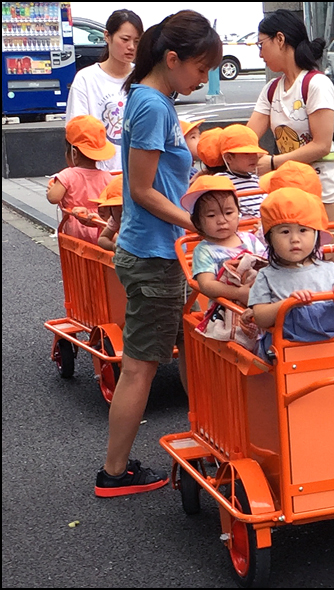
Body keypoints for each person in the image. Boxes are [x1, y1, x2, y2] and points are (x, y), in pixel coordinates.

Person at [94, 10, 221, 498]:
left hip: (158, 252)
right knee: (142, 366)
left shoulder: (155, 100)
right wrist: (198, 225)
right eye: (201, 68)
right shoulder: (152, 105)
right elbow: (142, 190)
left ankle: (207, 440)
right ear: (172, 59)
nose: (205, 79)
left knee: (189, 347)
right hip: (154, 255)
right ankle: (114, 471)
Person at [247, 8, 334, 259]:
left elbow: (321, 146)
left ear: (280, 39)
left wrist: (272, 163)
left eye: (261, 44)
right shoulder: (272, 89)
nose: (260, 54)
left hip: (329, 193)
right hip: (293, 196)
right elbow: (246, 137)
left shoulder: (316, 84)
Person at [248, 187, 334, 332]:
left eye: (303, 230)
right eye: (285, 232)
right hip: (289, 348)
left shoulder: (330, 269)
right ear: (270, 238)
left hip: (333, 346)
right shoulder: (266, 275)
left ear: (316, 235)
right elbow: (261, 318)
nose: (295, 239)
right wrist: (288, 304)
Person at [65, 9, 143, 172]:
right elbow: (76, 129)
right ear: (107, 36)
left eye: (136, 41)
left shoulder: (142, 76)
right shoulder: (86, 78)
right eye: (125, 39)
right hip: (99, 173)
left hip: (136, 174)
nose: (131, 47)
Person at [182, 175, 266, 309]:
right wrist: (238, 293)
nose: (221, 220)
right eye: (211, 215)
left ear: (239, 213)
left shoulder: (250, 239)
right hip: (226, 308)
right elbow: (207, 284)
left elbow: (268, 265)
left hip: (261, 299)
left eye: (228, 213)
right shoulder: (204, 250)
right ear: (197, 221)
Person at [47, 115, 116, 244]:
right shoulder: (107, 177)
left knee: (76, 262)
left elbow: (53, 198)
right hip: (100, 227)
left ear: (74, 153)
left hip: (75, 230)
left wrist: (51, 189)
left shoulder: (68, 175)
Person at [217, 124, 268, 218]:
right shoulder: (220, 180)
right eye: (246, 153)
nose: (253, 157)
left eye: (255, 153)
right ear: (228, 158)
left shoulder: (257, 180)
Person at [93, 173, 123, 252]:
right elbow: (102, 238)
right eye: (114, 206)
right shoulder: (114, 220)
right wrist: (113, 247)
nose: (119, 210)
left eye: (122, 205)